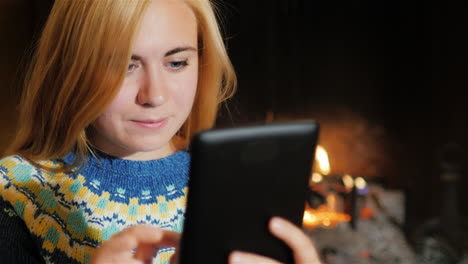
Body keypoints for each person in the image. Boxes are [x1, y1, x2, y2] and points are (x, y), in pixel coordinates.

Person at [0, 0, 321, 263]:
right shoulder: (16, 191)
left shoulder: (240, 185)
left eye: (177, 62)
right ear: (72, 69)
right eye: (124, 64)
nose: (154, 95)